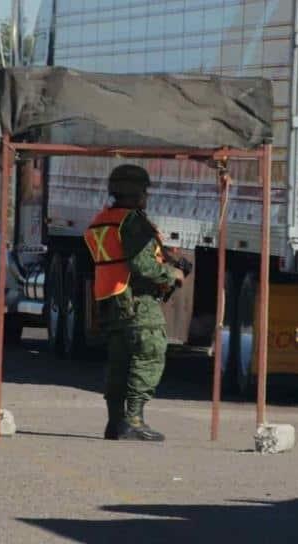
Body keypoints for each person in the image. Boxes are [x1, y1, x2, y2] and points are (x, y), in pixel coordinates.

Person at [83, 164, 185, 441]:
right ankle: (134, 420)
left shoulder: (102, 219)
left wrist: (164, 257)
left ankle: (115, 423)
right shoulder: (133, 222)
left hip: (112, 301)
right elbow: (141, 266)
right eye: (145, 191)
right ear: (137, 192)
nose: (147, 196)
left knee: (120, 363)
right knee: (148, 355)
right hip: (137, 301)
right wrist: (171, 272)